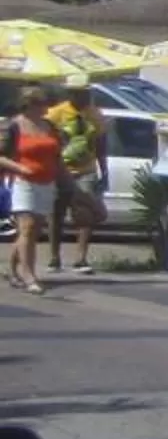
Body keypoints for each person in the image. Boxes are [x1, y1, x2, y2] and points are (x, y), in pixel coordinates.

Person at [5, 88, 65, 296]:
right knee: (27, 227)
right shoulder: (13, 126)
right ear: (28, 104)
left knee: (32, 231)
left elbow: (57, 155)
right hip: (22, 181)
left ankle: (12, 268)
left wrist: (64, 180)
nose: (45, 107)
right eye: (41, 103)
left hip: (46, 182)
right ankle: (29, 275)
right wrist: (20, 168)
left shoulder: (49, 126)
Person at [46, 91, 102, 274]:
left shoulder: (95, 113)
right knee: (56, 213)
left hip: (86, 170)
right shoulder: (56, 113)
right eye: (79, 93)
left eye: (86, 93)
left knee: (85, 212)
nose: (84, 97)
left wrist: (103, 168)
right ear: (71, 94)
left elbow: (100, 142)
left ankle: (81, 258)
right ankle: (54, 257)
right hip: (61, 170)